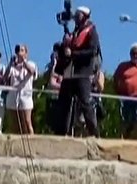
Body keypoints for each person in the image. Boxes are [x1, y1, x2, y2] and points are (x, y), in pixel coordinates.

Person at [51, 5, 101, 138]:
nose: (76, 18)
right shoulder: (75, 32)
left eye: (79, 15)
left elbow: (92, 51)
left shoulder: (91, 31)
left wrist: (73, 54)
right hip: (69, 72)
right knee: (64, 103)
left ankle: (94, 133)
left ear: (85, 17)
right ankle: (61, 132)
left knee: (85, 103)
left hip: (82, 73)